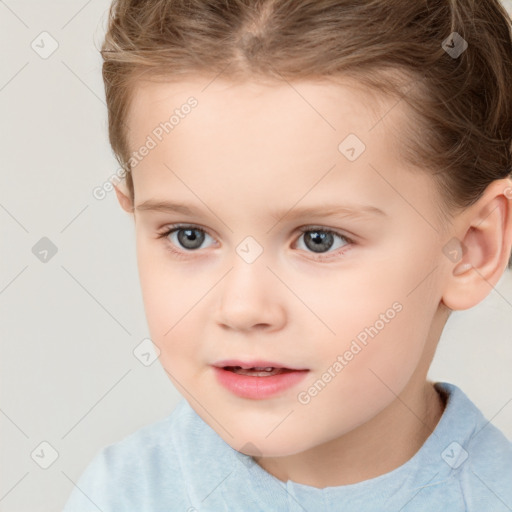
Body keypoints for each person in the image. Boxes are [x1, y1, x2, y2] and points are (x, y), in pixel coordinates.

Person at [63, 0, 512, 510]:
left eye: (319, 239)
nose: (243, 308)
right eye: (189, 235)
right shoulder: (121, 495)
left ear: (473, 248)